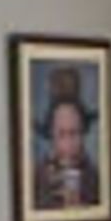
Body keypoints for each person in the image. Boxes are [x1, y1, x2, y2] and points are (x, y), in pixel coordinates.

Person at [34, 65, 101, 209]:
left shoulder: (95, 178)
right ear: (51, 135)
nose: (68, 144)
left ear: (83, 133)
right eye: (62, 134)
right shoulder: (37, 177)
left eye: (74, 133)